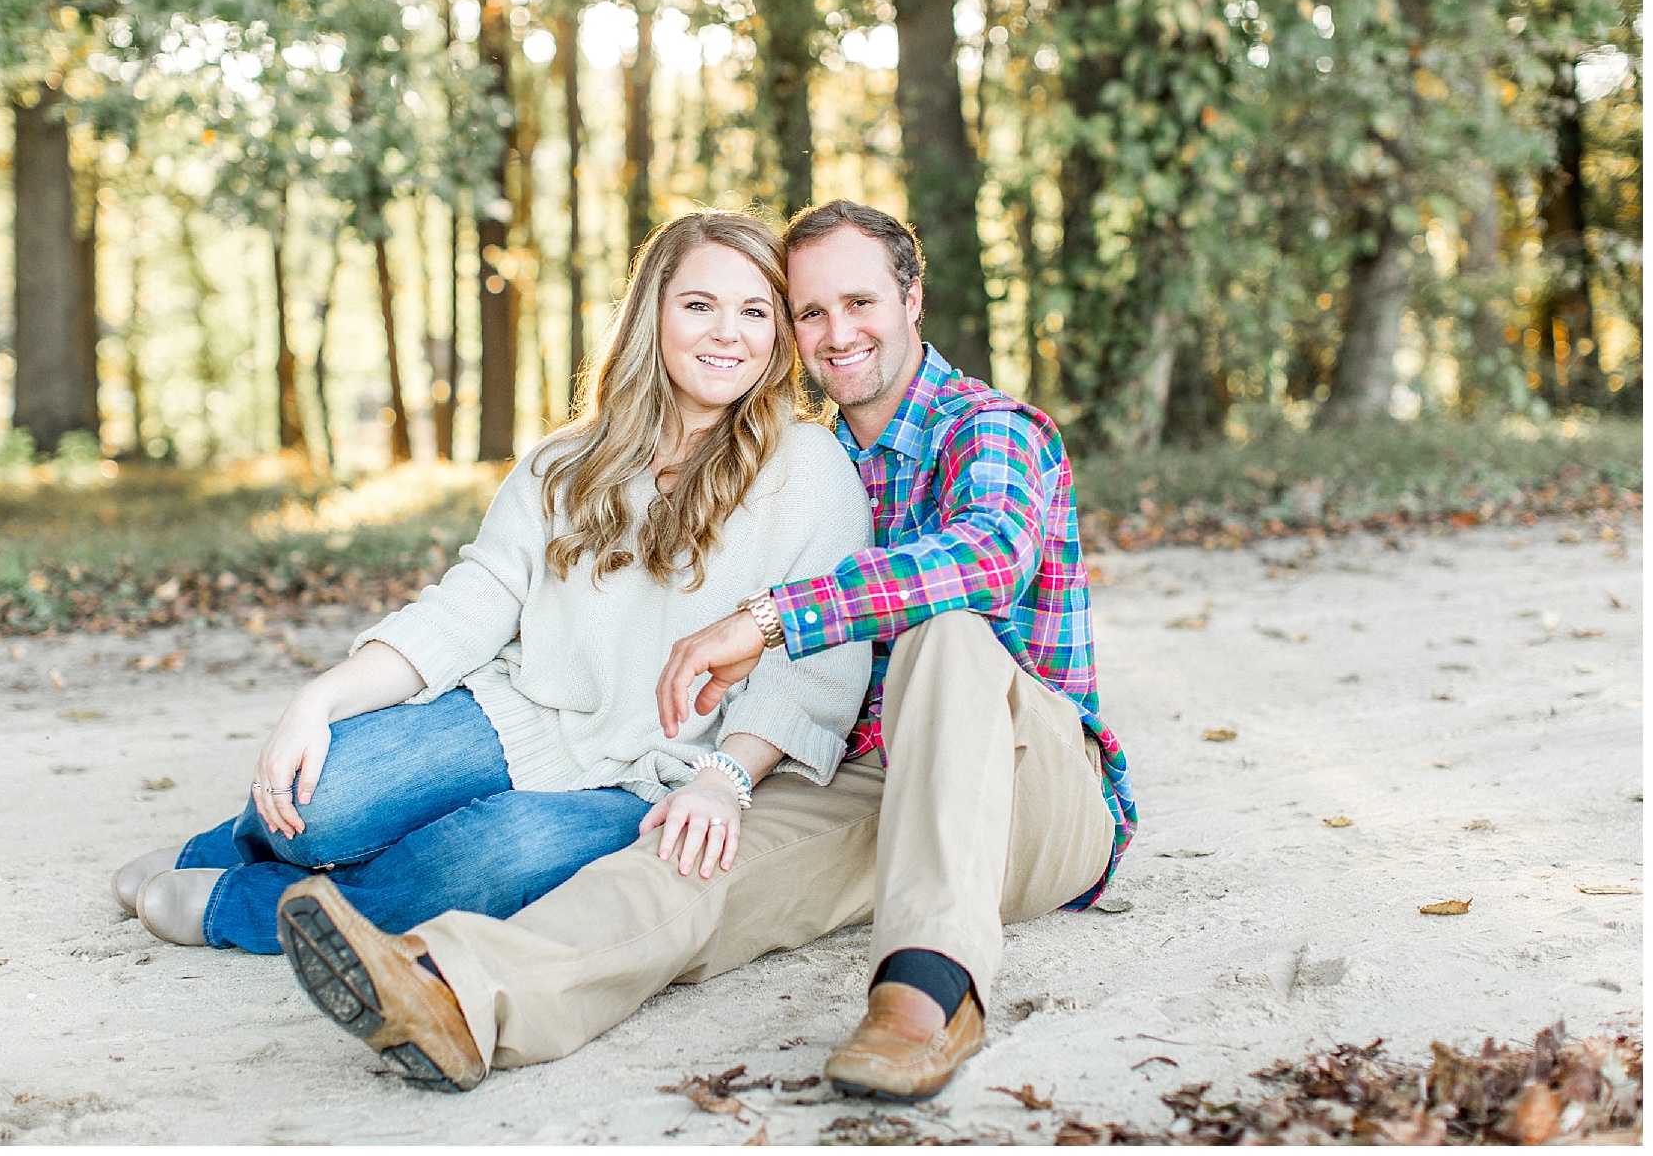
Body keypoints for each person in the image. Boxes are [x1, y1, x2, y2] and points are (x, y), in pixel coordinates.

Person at [272, 199, 1135, 1101]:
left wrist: (765, 619)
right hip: (881, 780)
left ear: (913, 301)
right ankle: (461, 991)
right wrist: (720, 778)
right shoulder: (823, 456)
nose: (837, 332)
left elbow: (987, 558)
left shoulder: (989, 429)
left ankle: (928, 992)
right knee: (687, 854)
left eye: (863, 303)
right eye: (810, 312)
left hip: (1033, 786)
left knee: (944, 632)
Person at [110, 209, 872, 958]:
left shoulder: (809, 468)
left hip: (656, 773)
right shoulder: (567, 461)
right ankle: (233, 846)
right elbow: (470, 606)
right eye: (699, 305)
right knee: (324, 794)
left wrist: (724, 777)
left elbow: (817, 665)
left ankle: (254, 904)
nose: (726, 333)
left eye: (753, 311)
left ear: (777, 335)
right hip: (520, 713)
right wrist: (318, 699)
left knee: (490, 860)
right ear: (653, 315)